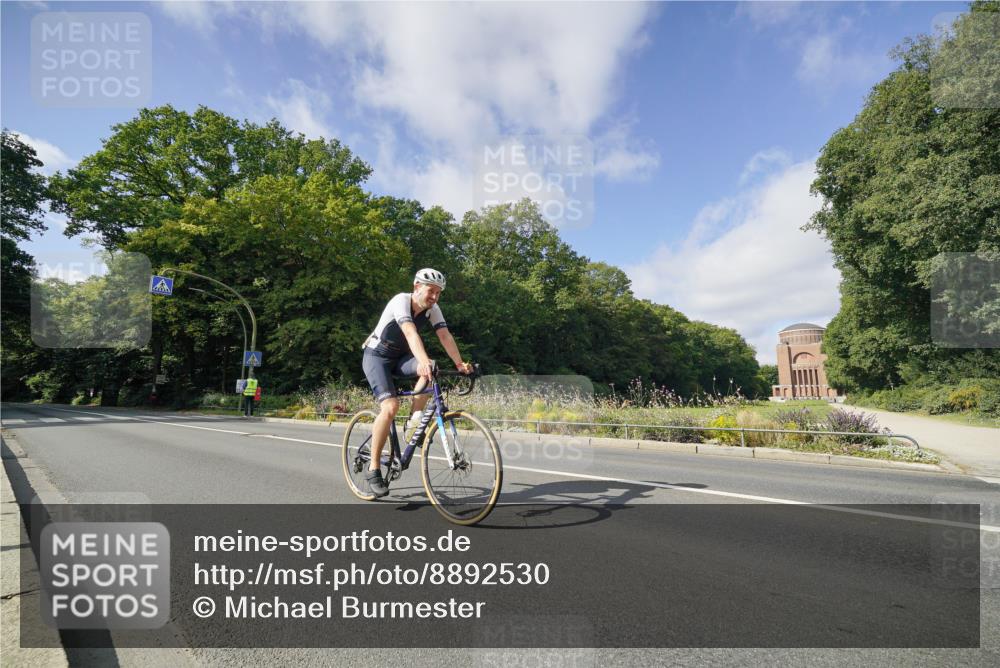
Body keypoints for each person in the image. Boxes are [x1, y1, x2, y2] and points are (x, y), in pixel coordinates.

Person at [361, 268, 472, 497]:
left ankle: (414, 422)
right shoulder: (400, 301)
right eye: (431, 291)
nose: (434, 297)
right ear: (416, 287)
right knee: (390, 407)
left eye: (438, 293)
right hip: (377, 356)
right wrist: (421, 361)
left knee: (431, 367)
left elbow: (445, 336)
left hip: (400, 358)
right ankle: (373, 468)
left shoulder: (433, 309)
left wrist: (460, 364)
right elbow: (411, 333)